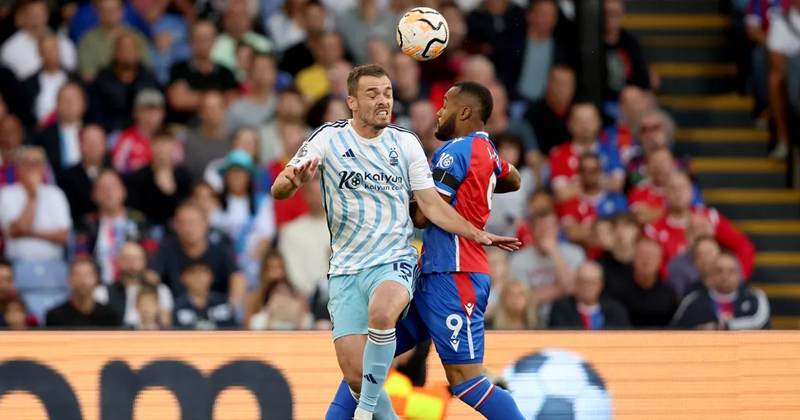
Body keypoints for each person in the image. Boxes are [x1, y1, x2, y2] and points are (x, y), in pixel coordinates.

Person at [271, 65, 519, 420]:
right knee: (358, 374)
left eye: (387, 92)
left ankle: (365, 412)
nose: (384, 100)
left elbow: (429, 209)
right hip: (365, 269)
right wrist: (293, 182)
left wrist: (477, 231)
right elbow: (279, 187)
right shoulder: (328, 138)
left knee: (456, 374)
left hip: (419, 265)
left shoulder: (418, 145)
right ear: (352, 102)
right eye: (373, 94)